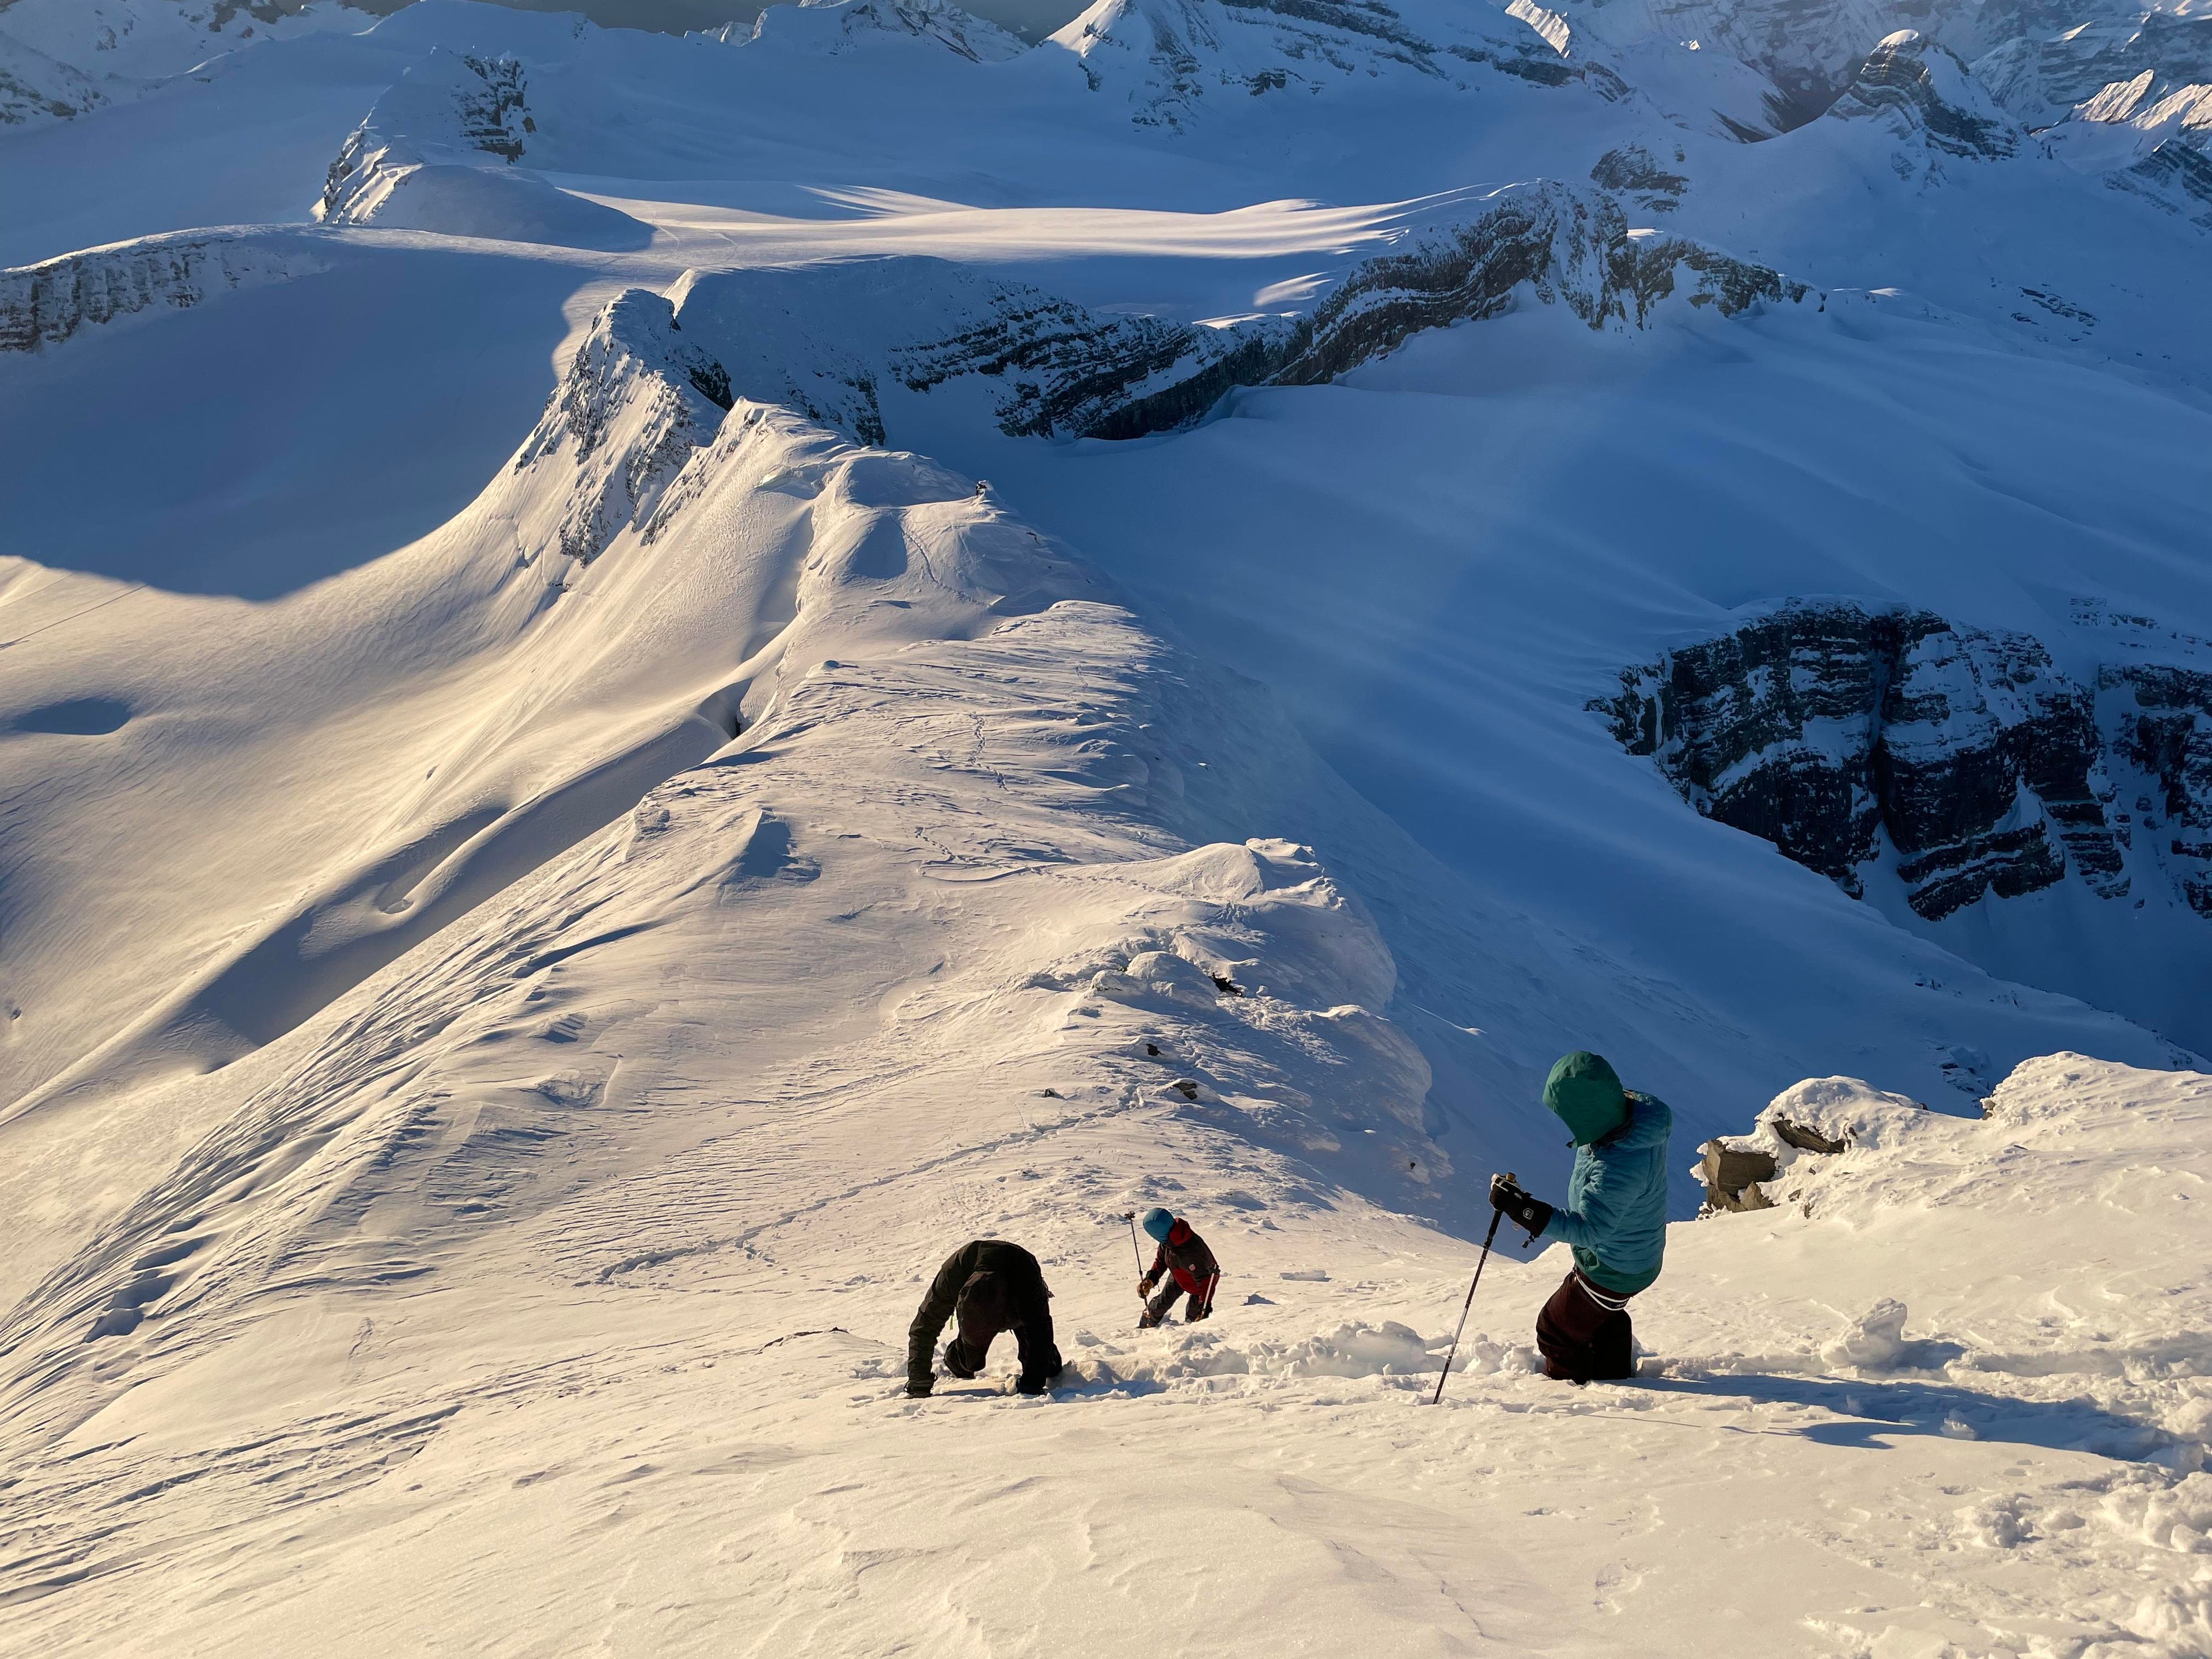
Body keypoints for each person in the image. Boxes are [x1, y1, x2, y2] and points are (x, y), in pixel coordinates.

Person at [1489, 1051, 1671, 1384]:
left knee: (1554, 1329)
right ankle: (1613, 1378)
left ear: (1589, 1115)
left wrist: (1525, 1211)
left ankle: (1569, 1397)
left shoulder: (1618, 1168)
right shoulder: (1629, 1121)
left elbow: (1589, 1229)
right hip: (1632, 1255)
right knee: (1597, 1315)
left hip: (1615, 1267)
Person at [905, 1238, 1063, 1397]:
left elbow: (1039, 1330)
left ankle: (1050, 1361)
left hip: (1018, 1297)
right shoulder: (954, 1273)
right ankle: (957, 1358)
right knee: (969, 1361)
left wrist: (1032, 1384)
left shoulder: (1025, 1277)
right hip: (979, 1311)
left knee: (1046, 1363)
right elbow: (925, 1325)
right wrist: (919, 1382)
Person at [1135, 1207, 1220, 1328]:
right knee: (1161, 1303)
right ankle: (1144, 1329)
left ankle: (1190, 1332)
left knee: (1195, 1319)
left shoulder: (1192, 1251)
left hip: (1200, 1284)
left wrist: (1204, 1309)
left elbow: (1206, 1281)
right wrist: (1150, 1280)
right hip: (1178, 1275)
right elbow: (1161, 1261)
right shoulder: (1168, 1239)